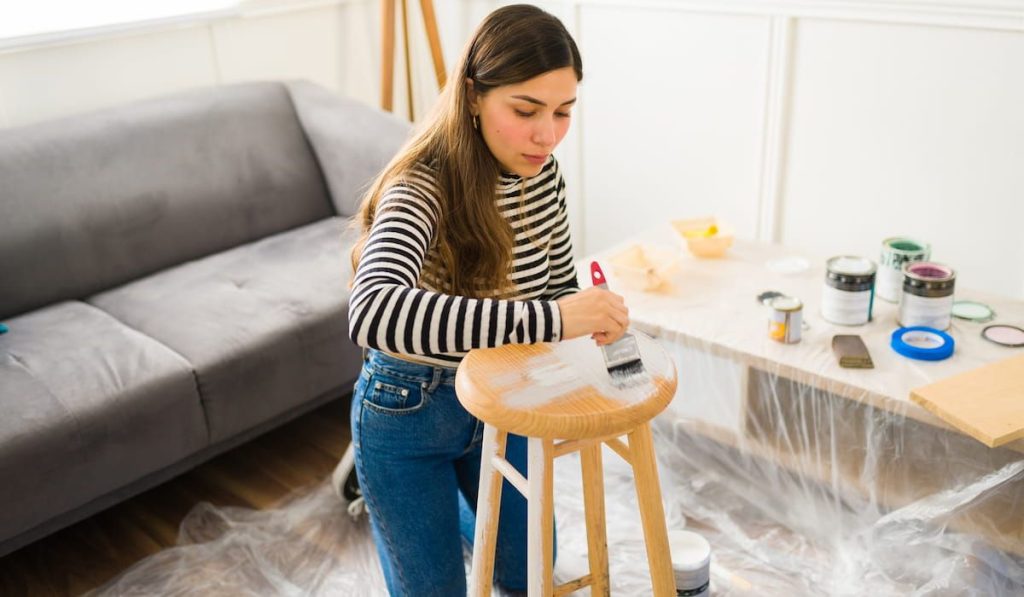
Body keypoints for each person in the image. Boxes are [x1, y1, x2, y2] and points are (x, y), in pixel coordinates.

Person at [343, 4, 629, 595]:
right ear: (472, 96)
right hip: (408, 411)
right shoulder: (421, 185)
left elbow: (553, 290)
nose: (546, 134)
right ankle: (405, 496)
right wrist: (554, 318)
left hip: (505, 399)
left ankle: (457, 517)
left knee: (529, 570)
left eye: (563, 112)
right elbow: (373, 311)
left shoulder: (542, 175)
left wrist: (586, 313)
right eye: (525, 111)